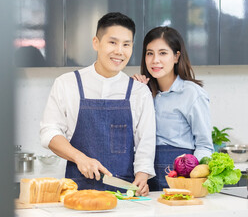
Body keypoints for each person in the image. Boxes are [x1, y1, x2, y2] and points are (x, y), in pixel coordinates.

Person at [40, 12, 156, 196]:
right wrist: (80, 158)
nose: (119, 51)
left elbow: (146, 142)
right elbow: (49, 132)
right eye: (112, 42)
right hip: (77, 192)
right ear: (96, 42)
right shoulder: (67, 83)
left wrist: (142, 175)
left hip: (124, 194)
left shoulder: (139, 92)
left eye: (126, 44)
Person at [132, 26, 214, 191]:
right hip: (143, 176)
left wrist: (189, 176)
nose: (155, 60)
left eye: (163, 53)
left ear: (176, 57)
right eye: (150, 53)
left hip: (179, 176)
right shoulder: (141, 91)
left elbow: (205, 145)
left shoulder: (192, 93)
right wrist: (136, 95)